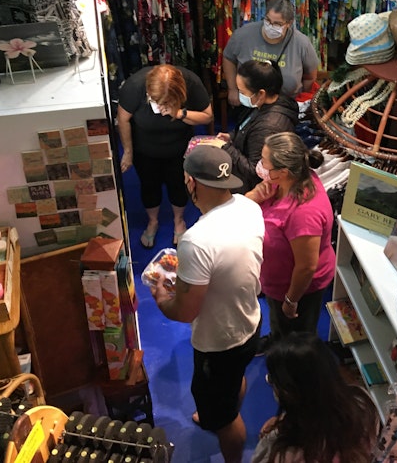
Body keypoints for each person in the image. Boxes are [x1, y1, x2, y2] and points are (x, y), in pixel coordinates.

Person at [149, 145, 264, 463]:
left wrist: (161, 294)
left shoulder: (197, 240)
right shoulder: (246, 206)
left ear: (191, 182)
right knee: (233, 381)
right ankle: (222, 409)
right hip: (251, 321)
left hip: (218, 342)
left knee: (226, 421)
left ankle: (228, 441)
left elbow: (185, 311)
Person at [245, 132, 334, 344]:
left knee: (295, 337)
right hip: (275, 281)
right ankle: (276, 339)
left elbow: (306, 266)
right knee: (279, 323)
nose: (261, 165)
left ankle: (288, 372)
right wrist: (255, 196)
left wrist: (291, 300)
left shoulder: (304, 213)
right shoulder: (282, 182)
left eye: (265, 162)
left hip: (296, 289)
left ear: (283, 171)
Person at [117, 64, 213, 247]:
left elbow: (207, 116)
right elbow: (123, 119)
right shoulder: (134, 86)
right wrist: (128, 152)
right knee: (148, 185)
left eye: (166, 103)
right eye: (155, 101)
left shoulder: (191, 82)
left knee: (178, 184)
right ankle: (152, 221)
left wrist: (179, 113)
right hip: (144, 149)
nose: (160, 107)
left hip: (179, 147)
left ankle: (179, 221)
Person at [251, 332, 379, 463]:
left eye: (272, 380)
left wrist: (280, 428)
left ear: (289, 392)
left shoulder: (279, 452)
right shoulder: (363, 403)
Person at [223, 0, 319, 106]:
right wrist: (232, 89)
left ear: (289, 23)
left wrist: (300, 102)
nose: (271, 26)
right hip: (248, 105)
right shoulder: (243, 35)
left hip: (284, 105)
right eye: (268, 21)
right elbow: (228, 58)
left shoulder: (302, 43)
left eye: (277, 24)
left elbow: (310, 77)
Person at [217, 60, 299, 192]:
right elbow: (247, 126)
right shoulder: (266, 103)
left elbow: (254, 170)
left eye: (242, 91)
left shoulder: (268, 127)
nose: (240, 95)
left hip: (248, 188)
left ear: (261, 93)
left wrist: (227, 148)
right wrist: (231, 136)